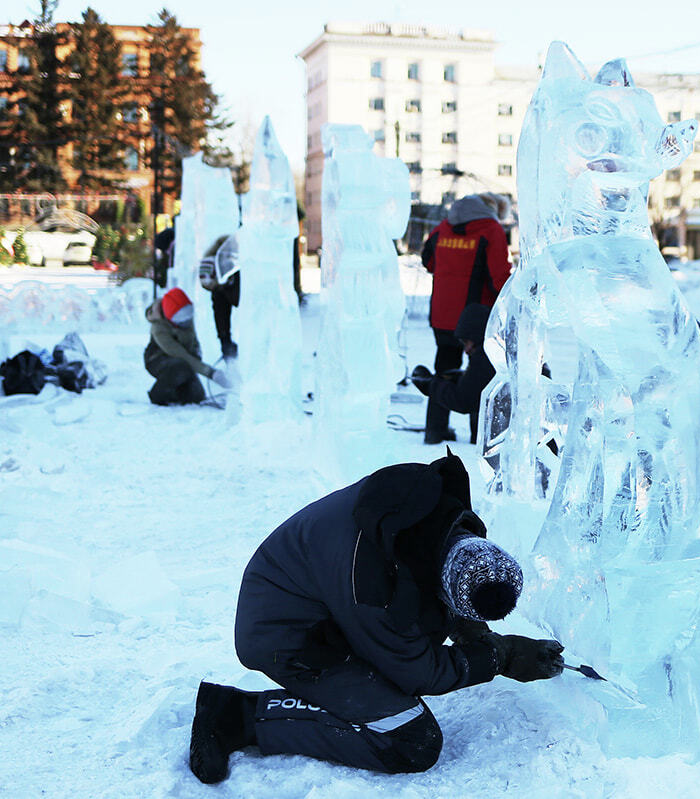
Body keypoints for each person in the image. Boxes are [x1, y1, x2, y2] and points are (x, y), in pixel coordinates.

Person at [188, 452, 564, 784]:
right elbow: (419, 671)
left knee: (399, 662)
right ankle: (237, 715)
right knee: (410, 739)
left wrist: (474, 632)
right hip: (282, 628)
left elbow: (440, 589)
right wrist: (501, 656)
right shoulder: (376, 590)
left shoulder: (437, 519)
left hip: (321, 595)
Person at [421, 194, 512, 441]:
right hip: (476, 318)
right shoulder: (490, 230)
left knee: (445, 368)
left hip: (442, 313)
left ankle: (435, 429)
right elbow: (500, 277)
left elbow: (427, 260)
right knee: (481, 375)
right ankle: (478, 434)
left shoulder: (443, 227)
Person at [410, 303, 495, 445]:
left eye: (467, 342)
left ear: (478, 336)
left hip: (444, 318)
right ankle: (477, 439)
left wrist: (431, 385)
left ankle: (437, 432)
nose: (466, 350)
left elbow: (465, 400)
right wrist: (463, 378)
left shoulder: (486, 355)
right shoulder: (497, 348)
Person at [144, 287, 230, 405]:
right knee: (181, 367)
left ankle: (176, 392)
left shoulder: (184, 319)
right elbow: (180, 354)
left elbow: (192, 343)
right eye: (181, 318)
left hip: (182, 361)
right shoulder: (158, 329)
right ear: (170, 317)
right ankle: (157, 395)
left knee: (196, 396)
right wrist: (211, 373)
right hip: (158, 359)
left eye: (188, 315)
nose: (186, 320)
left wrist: (196, 354)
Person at [198, 234, 240, 359]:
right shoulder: (213, 260)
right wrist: (221, 284)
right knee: (219, 303)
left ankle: (225, 341)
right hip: (226, 292)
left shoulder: (232, 259)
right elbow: (206, 281)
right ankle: (225, 342)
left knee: (219, 307)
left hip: (228, 293)